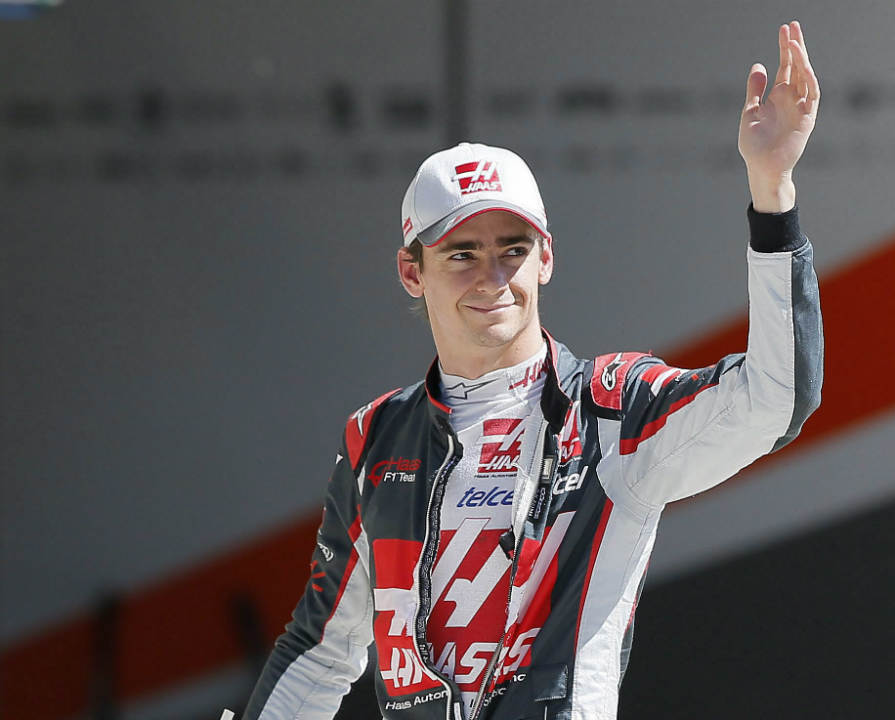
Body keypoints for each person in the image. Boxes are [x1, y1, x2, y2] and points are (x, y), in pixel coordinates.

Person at [242, 21, 822, 720]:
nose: (493, 277)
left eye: (512, 250)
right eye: (461, 253)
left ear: (545, 259)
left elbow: (774, 401)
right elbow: (319, 650)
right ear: (410, 271)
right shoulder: (376, 440)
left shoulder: (612, 411)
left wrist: (773, 189)